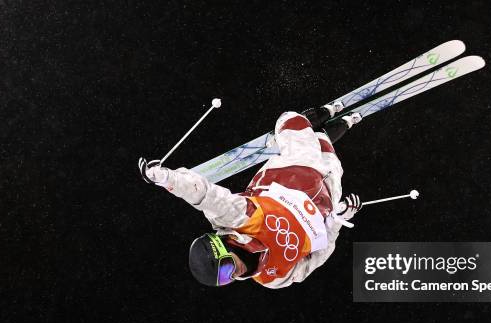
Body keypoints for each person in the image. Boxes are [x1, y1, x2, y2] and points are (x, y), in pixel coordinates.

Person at [139, 103, 363, 289]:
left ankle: (327, 111)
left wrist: (166, 178)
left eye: (226, 268)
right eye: (227, 279)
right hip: (326, 199)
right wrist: (335, 223)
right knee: (330, 159)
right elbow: (314, 259)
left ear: (223, 246)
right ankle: (339, 127)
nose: (234, 274)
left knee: (290, 121)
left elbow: (203, 195)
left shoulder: (236, 219)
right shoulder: (271, 278)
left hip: (294, 173)